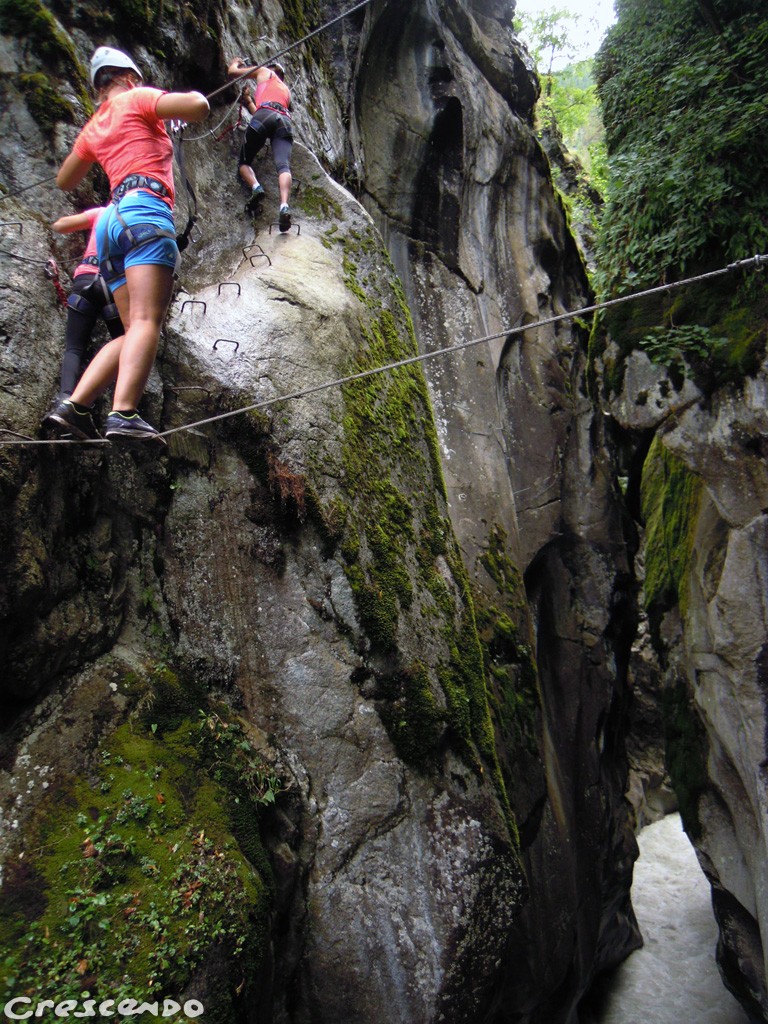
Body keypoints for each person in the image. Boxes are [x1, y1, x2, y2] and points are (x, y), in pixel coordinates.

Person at [46, 46, 209, 445]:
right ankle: (124, 413)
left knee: (129, 331)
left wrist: (93, 146)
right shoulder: (138, 97)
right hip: (146, 212)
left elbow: (65, 180)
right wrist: (165, 107)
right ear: (128, 77)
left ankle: (75, 406)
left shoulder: (94, 127)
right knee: (147, 322)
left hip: (111, 223)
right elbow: (199, 106)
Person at [42, 207, 124, 428]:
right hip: (114, 283)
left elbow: (61, 225)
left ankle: (64, 402)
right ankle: (120, 411)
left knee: (74, 348)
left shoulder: (102, 212)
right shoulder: (139, 213)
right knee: (128, 345)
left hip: (85, 278)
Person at [228, 57, 294, 231]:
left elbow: (232, 73)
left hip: (265, 115)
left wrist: (235, 62)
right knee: (283, 166)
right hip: (284, 120)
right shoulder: (285, 90)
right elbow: (266, 111)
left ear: (270, 68)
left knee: (244, 162)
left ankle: (256, 187)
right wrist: (248, 100)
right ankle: (284, 205)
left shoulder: (264, 71)